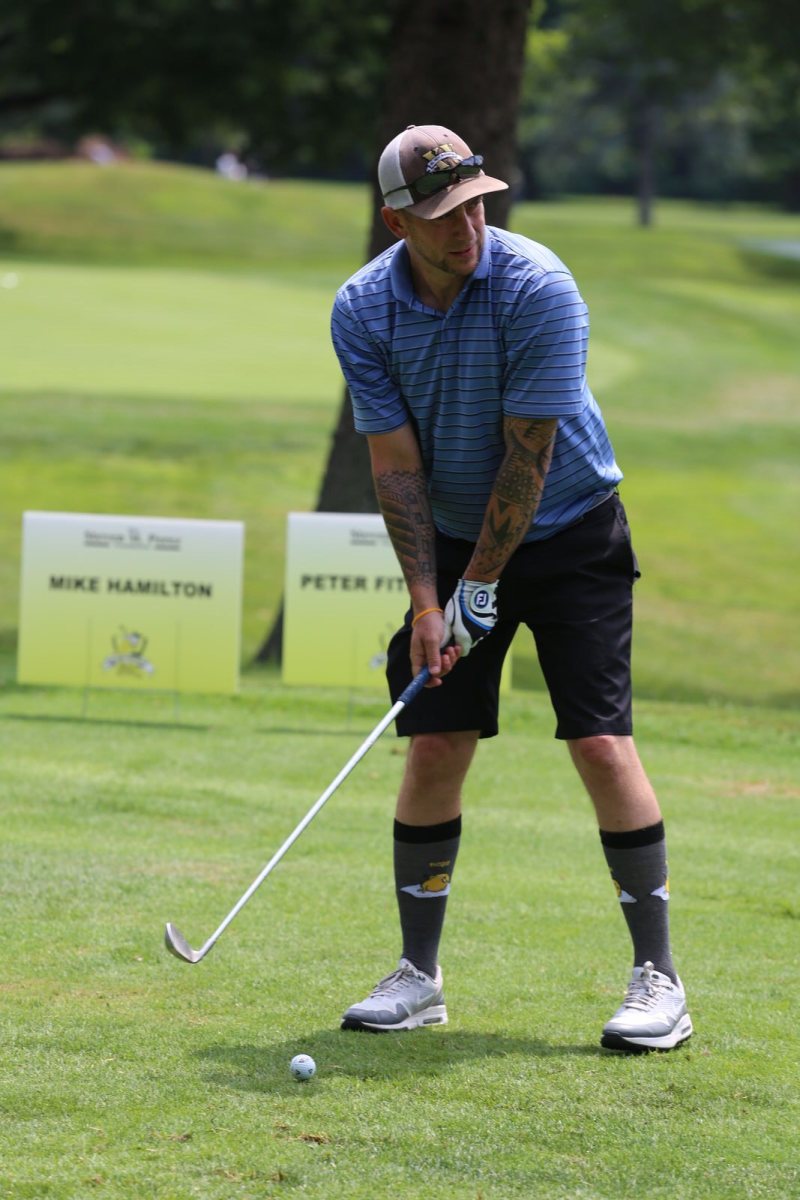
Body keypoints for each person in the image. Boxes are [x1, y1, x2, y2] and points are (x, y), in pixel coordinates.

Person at [330, 123, 692, 1053]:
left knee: (600, 742)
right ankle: (419, 977)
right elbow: (395, 466)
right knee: (435, 743)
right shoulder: (362, 309)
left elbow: (527, 461)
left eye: (477, 205)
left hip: (571, 530)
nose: (468, 228)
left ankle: (660, 980)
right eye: (444, 215)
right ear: (397, 223)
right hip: (454, 535)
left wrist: (479, 591)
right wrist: (429, 602)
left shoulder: (539, 286)